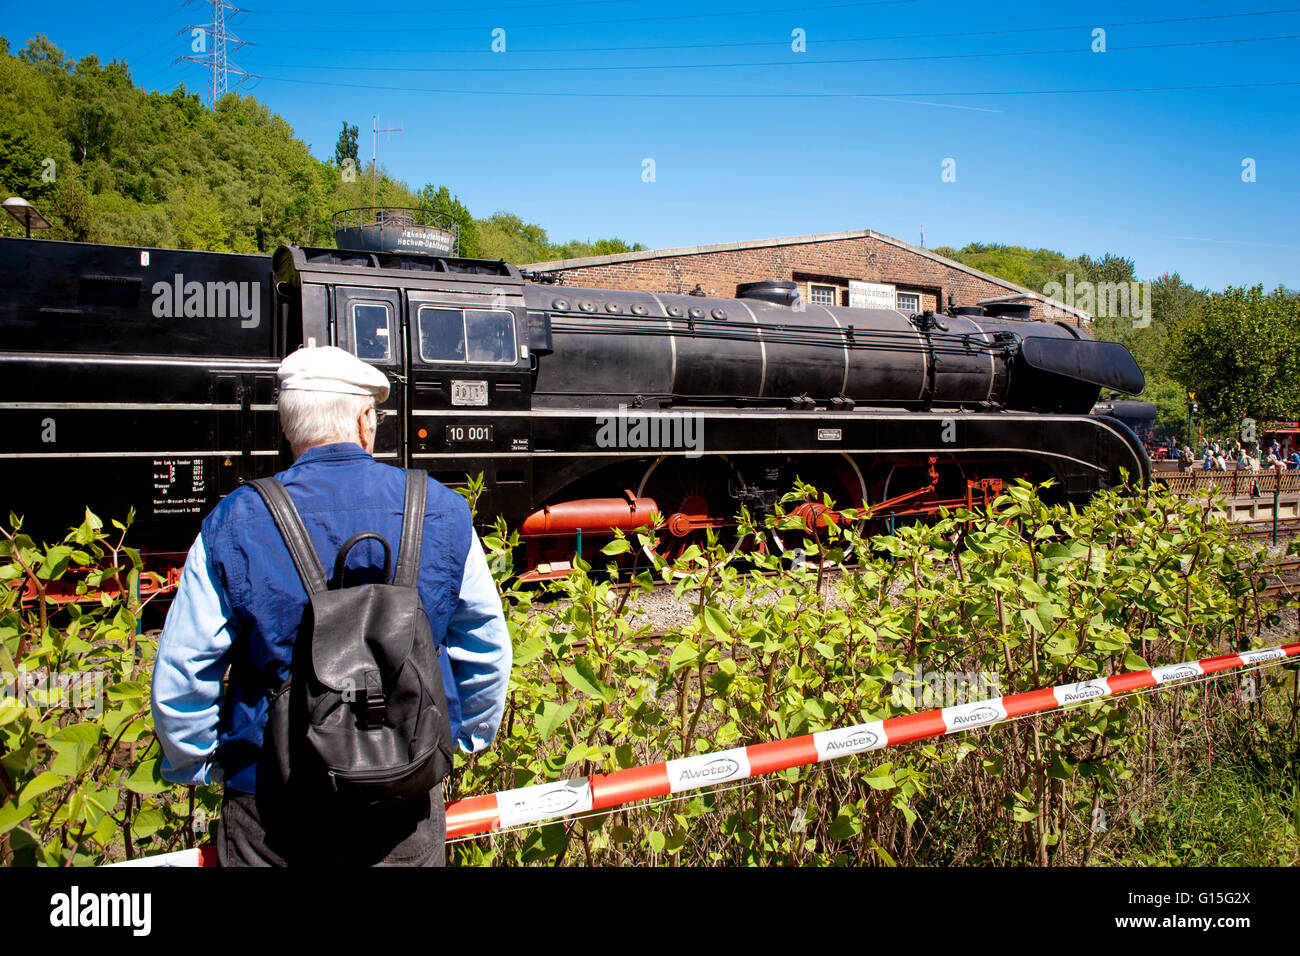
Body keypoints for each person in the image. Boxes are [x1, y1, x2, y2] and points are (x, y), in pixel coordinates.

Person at [151, 346, 512, 866]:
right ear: (366, 419)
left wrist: (202, 763)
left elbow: (185, 672)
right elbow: (486, 649)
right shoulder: (442, 510)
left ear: (289, 428)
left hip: (272, 801)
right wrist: (464, 739)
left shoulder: (235, 519)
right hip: (403, 787)